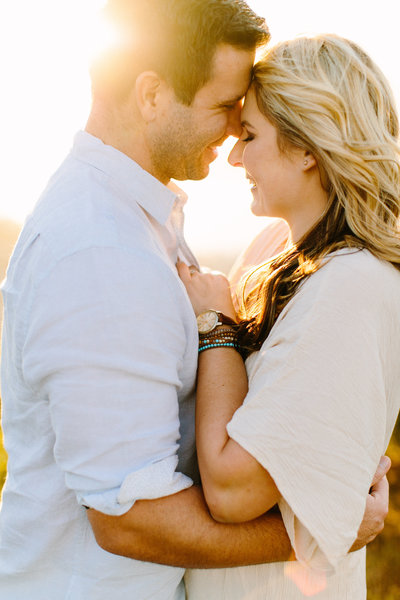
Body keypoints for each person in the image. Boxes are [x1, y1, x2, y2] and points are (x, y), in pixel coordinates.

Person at [0, 0, 388, 597]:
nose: (235, 132)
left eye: (248, 122)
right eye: (226, 107)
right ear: (152, 95)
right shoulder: (98, 250)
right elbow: (128, 518)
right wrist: (323, 527)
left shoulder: (144, 222)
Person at [179, 34, 400, 599]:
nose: (234, 156)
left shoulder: (352, 286)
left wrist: (216, 325)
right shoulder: (276, 251)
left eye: (249, 136)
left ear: (307, 147)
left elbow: (231, 489)